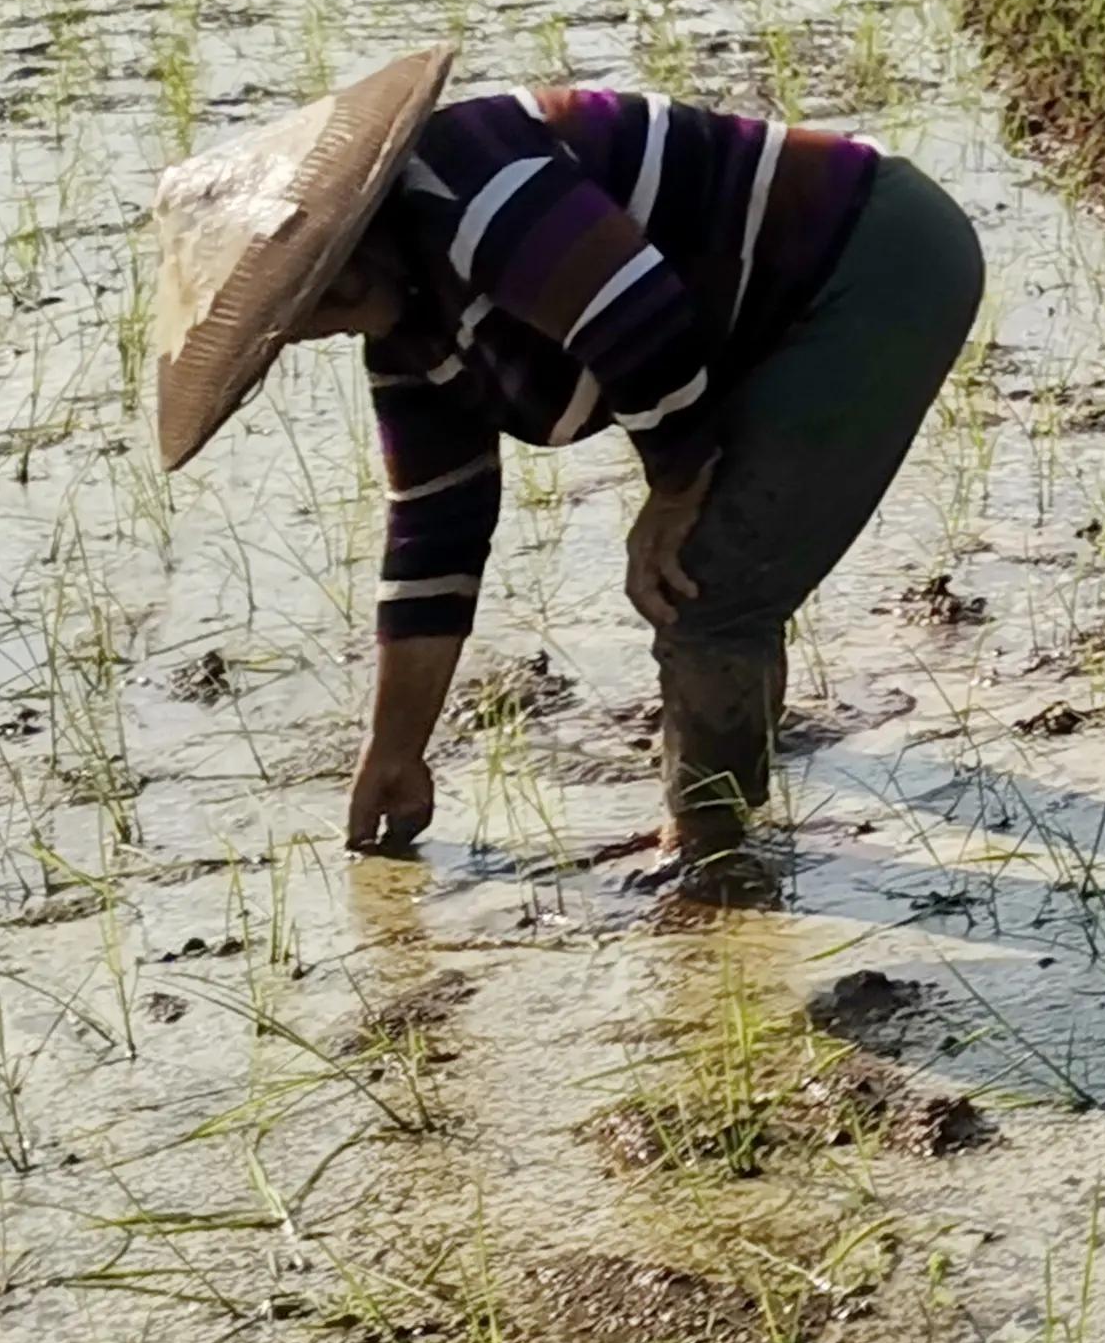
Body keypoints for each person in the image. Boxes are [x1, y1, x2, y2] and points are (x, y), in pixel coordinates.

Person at [148, 49, 984, 901]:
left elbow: (640, 319)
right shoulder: (409, 337)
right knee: (718, 571)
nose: (307, 330)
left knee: (702, 578)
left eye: (306, 300)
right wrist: (396, 749)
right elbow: (435, 538)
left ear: (346, 243)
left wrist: (675, 486)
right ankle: (735, 776)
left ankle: (711, 855)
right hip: (755, 322)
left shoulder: (475, 189)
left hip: (870, 263)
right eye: (287, 322)